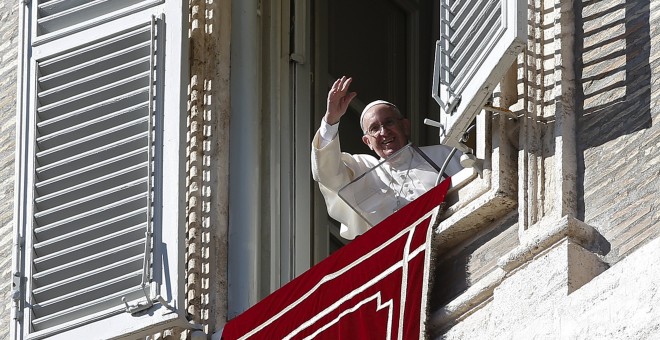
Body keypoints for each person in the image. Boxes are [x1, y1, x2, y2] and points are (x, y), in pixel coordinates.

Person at [311, 76, 462, 240]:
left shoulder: (444, 155)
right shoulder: (364, 169)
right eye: (374, 128)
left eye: (389, 122)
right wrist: (331, 120)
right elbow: (327, 173)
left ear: (405, 126)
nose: (383, 132)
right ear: (367, 141)